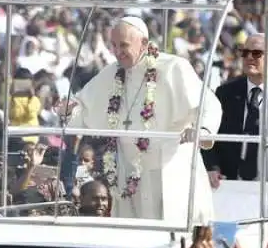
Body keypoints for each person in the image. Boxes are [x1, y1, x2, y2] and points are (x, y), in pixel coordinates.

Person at [64, 16, 222, 224]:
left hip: (170, 172)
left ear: (145, 44)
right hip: (129, 174)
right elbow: (84, 107)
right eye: (113, 45)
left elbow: (209, 104)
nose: (117, 52)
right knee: (133, 239)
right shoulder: (113, 73)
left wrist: (203, 130)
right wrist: (68, 111)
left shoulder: (174, 67)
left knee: (173, 237)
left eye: (124, 45)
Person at [203, 34, 268, 206]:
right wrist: (212, 167)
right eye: (245, 53)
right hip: (233, 185)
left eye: (256, 53)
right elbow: (208, 135)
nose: (249, 58)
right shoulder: (226, 93)